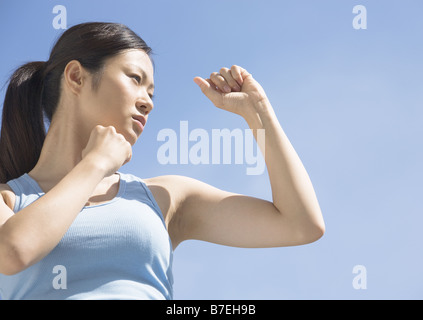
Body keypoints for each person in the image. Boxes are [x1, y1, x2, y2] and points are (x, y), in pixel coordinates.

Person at [0, 22, 324, 300]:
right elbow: (13, 252)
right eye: (135, 79)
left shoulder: (164, 197)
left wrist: (259, 112)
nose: (148, 103)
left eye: (152, 94)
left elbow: (300, 225)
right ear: (76, 77)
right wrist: (95, 164)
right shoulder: (8, 199)